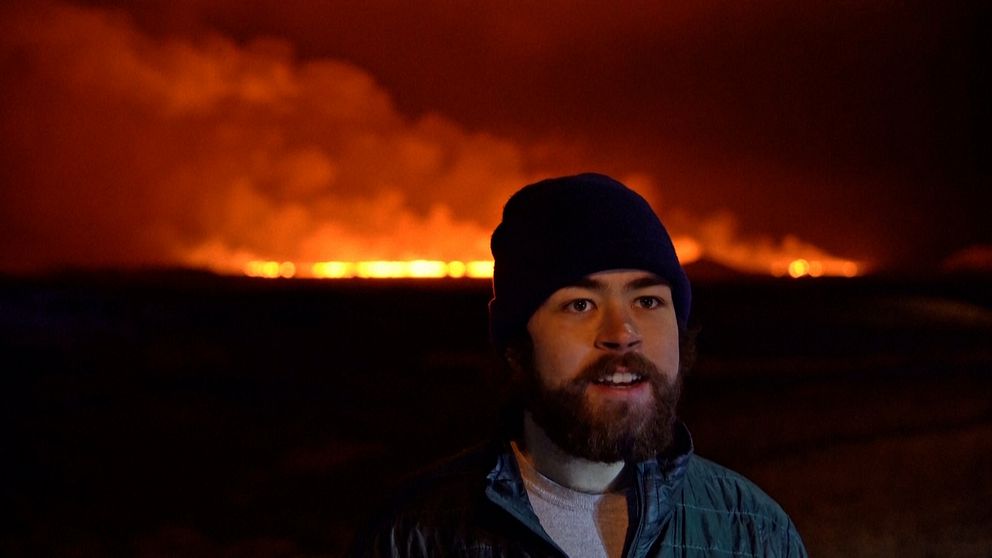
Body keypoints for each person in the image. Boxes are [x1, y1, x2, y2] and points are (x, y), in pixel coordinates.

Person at [349, 173, 806, 557]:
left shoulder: (752, 532)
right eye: (580, 305)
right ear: (517, 344)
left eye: (648, 300)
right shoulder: (416, 537)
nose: (623, 332)